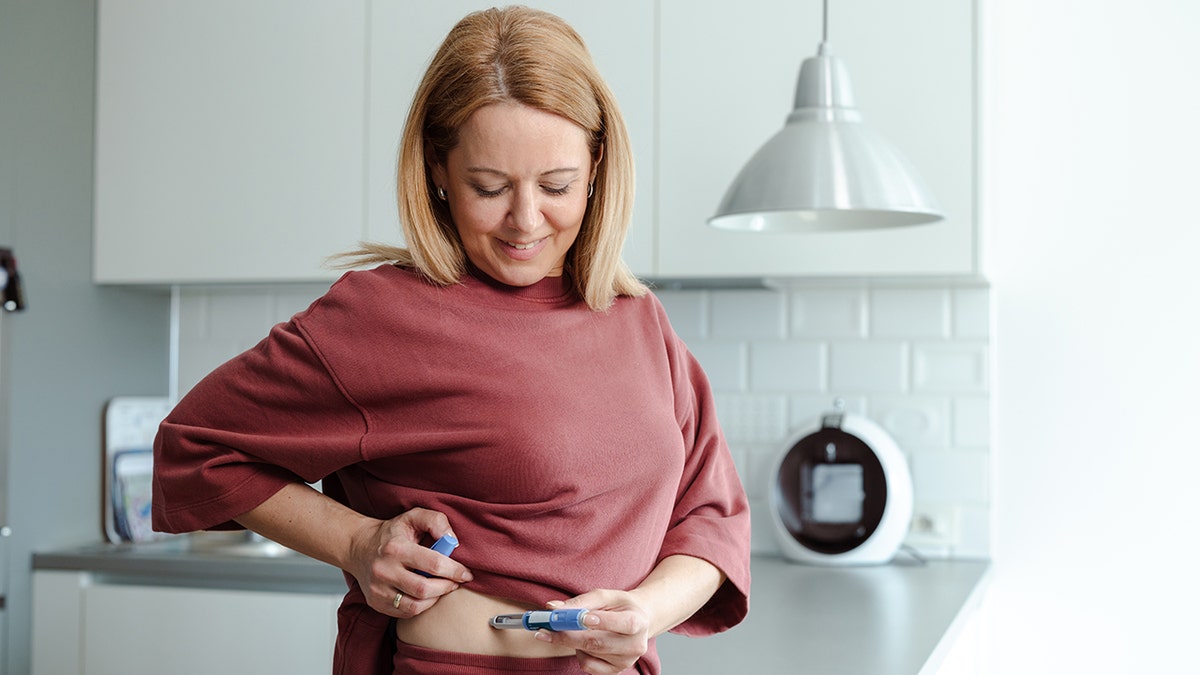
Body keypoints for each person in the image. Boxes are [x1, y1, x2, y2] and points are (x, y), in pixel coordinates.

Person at [152, 6, 750, 674]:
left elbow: (711, 517)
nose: (526, 221)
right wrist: (357, 542)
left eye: (557, 185)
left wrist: (646, 613)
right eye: (488, 187)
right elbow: (196, 446)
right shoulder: (380, 316)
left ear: (597, 162)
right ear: (438, 167)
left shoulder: (641, 320)